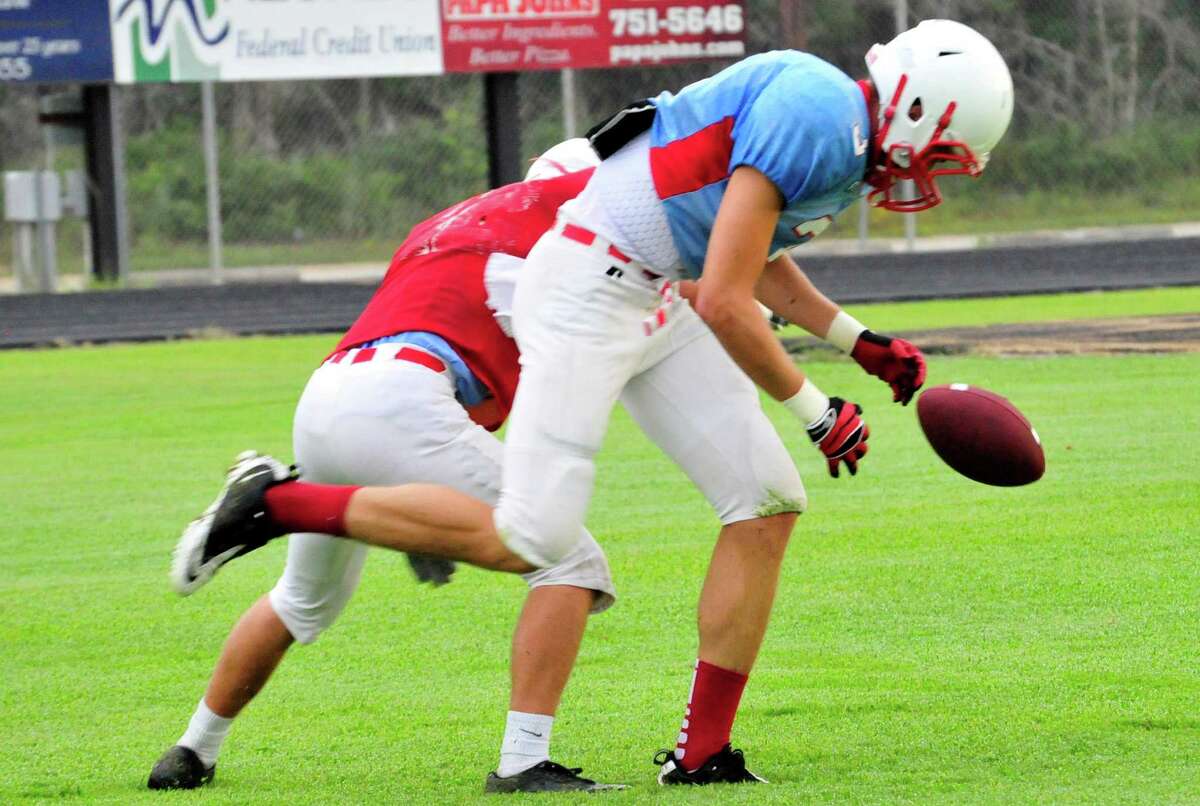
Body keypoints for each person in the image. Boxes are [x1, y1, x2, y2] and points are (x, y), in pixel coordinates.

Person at [174, 19, 1013, 786]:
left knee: (766, 500)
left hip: (655, 291)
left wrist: (855, 342)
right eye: (940, 152)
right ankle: (283, 502)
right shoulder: (818, 112)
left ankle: (703, 754)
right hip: (588, 286)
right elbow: (724, 297)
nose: (930, 175)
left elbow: (742, 256)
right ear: (916, 106)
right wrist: (815, 411)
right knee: (539, 540)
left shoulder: (840, 135)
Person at [151, 141, 627, 794]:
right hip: (402, 399)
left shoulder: (448, 224)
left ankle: (191, 752)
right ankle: (523, 762)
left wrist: (419, 519)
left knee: (301, 601)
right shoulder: (549, 249)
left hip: (327, 395)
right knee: (569, 560)